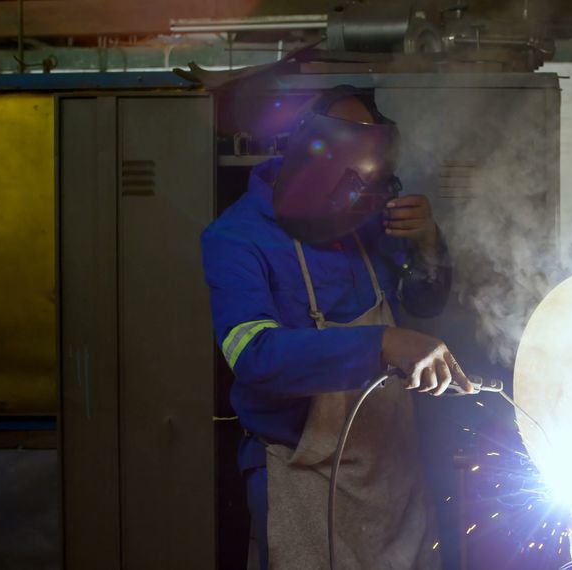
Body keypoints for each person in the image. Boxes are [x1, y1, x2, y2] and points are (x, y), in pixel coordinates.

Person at [201, 85, 472, 570]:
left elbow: (422, 302)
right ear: (307, 158)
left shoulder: (360, 218)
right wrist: (383, 343)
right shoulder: (235, 238)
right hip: (302, 475)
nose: (359, 204)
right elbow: (254, 356)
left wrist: (428, 243)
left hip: (390, 467)